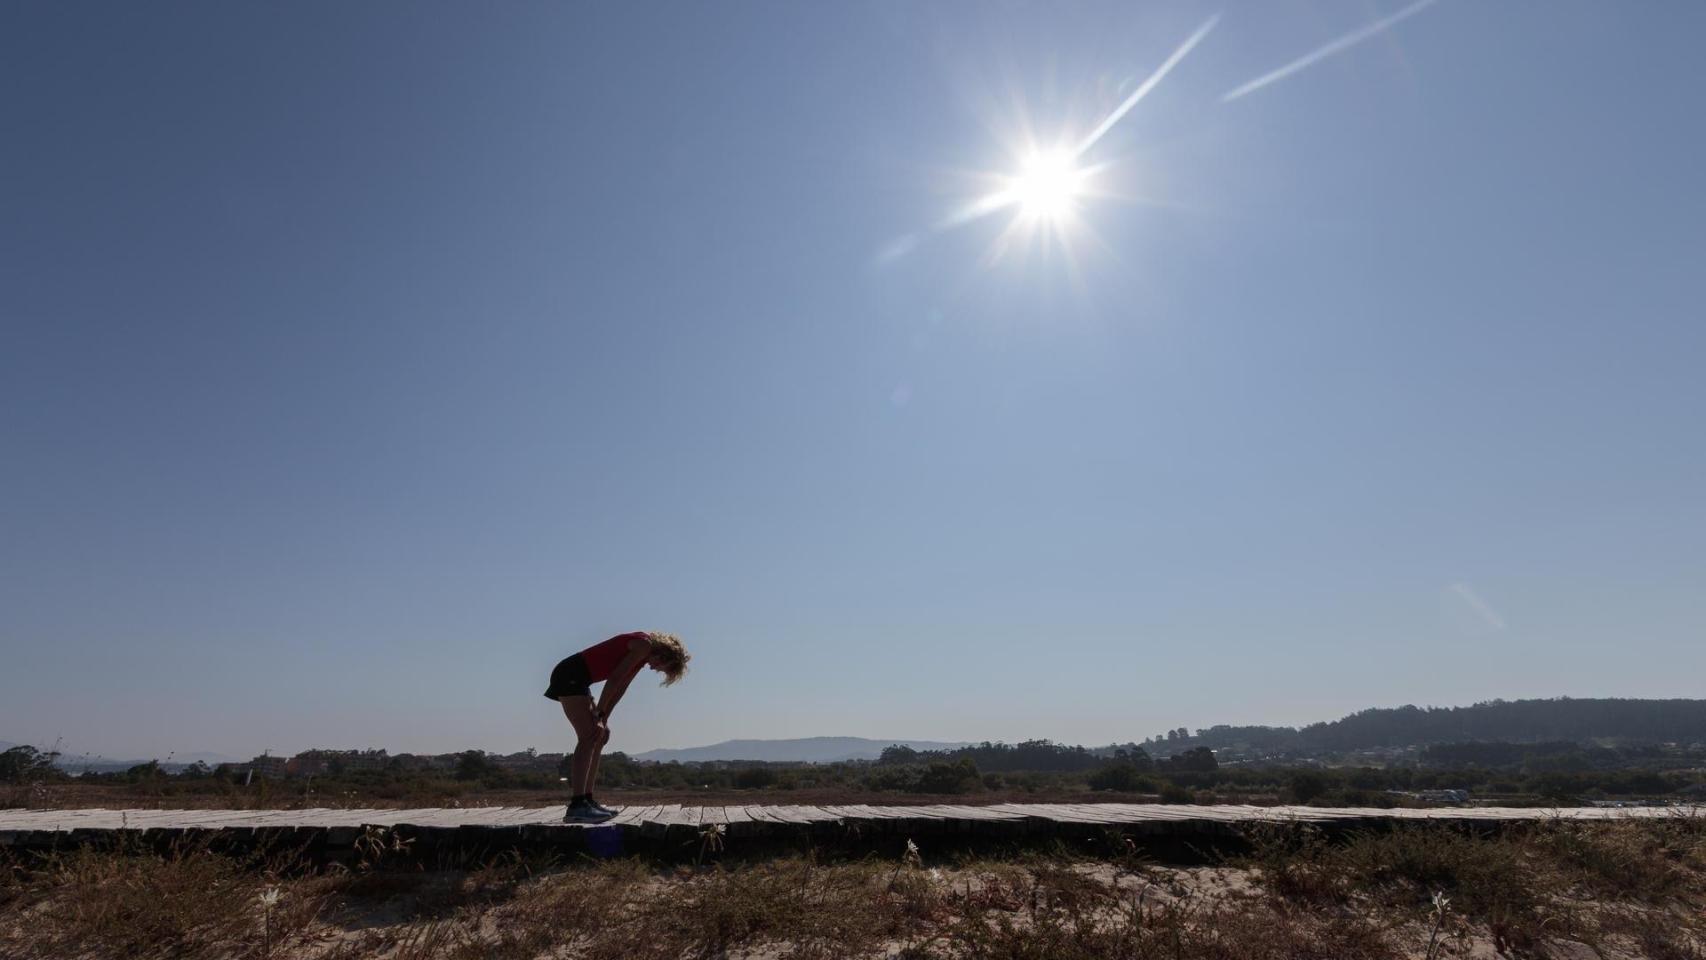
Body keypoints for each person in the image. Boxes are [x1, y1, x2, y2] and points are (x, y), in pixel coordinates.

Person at [544, 631, 690, 822]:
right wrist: (599, 714)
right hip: (569, 675)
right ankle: (577, 805)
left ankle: (587, 800)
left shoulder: (642, 657)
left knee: (599, 736)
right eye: (662, 667)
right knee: (587, 737)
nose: (656, 669)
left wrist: (604, 719)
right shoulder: (643, 645)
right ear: (663, 655)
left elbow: (621, 686)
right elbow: (614, 679)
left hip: (579, 680)